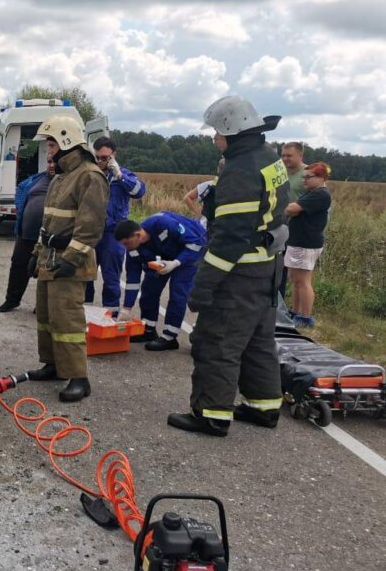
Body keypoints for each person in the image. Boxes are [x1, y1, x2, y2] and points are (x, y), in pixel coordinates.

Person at [168, 95, 289, 436]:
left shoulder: (241, 169)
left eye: (217, 133)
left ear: (232, 130)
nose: (213, 139)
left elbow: (230, 238)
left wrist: (203, 287)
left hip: (239, 273)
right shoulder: (267, 157)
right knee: (258, 341)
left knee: (216, 340)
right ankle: (264, 408)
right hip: (267, 267)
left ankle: (211, 414)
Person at [26, 116, 108, 402]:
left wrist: (71, 259)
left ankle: (78, 378)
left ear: (66, 141)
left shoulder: (89, 176)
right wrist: (36, 255)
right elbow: (48, 224)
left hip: (70, 265)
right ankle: (53, 365)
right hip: (50, 260)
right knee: (47, 318)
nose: (48, 151)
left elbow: (91, 226)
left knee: (68, 322)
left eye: (51, 144)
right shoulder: (61, 177)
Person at [114, 213, 206, 351]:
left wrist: (176, 263)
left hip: (189, 252)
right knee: (149, 290)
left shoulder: (163, 224)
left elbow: (196, 243)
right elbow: (133, 280)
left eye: (127, 243)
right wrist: (127, 308)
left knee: (178, 292)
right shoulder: (133, 249)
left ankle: (170, 337)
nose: (125, 247)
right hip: (162, 257)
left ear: (138, 235)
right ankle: (148, 330)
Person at [85, 137, 146, 309]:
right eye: (97, 157)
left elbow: (139, 191)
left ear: (113, 155)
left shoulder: (123, 175)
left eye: (105, 158)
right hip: (90, 231)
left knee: (111, 277)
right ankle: (84, 311)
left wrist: (119, 175)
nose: (101, 161)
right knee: (85, 275)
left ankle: (110, 314)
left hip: (113, 233)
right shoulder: (90, 174)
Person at [0, 138, 59, 312]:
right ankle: (12, 299)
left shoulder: (65, 182)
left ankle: (41, 305)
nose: (51, 165)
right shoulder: (36, 179)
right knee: (18, 265)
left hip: (48, 236)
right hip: (25, 233)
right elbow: (20, 189)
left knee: (45, 270)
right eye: (49, 161)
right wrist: (21, 207)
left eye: (54, 162)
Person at [285, 162, 332, 329]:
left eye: (308, 177)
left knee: (303, 281)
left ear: (321, 178)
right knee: (295, 280)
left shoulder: (320, 195)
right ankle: (295, 311)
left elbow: (292, 208)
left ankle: (305, 317)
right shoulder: (311, 192)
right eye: (303, 177)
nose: (303, 180)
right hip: (297, 241)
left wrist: (288, 209)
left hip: (307, 243)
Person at [277, 142, 307, 296]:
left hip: (297, 227)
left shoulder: (308, 174)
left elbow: (318, 201)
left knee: (293, 271)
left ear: (300, 156)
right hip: (278, 225)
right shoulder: (281, 172)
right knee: (277, 266)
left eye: (289, 155)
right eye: (283, 155)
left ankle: (296, 310)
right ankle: (277, 302)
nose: (285, 158)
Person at [183, 158, 225, 229]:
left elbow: (187, 197)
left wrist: (197, 212)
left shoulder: (207, 185)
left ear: (218, 169)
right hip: (219, 228)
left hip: (205, 227)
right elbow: (187, 198)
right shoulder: (231, 189)